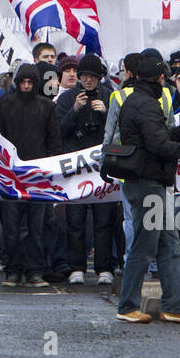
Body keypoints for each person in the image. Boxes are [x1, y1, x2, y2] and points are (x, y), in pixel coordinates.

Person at [103, 56, 180, 324]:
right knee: (145, 246)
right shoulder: (146, 104)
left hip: (149, 181)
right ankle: (127, 306)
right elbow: (158, 145)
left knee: (169, 246)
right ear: (158, 78)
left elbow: (157, 136)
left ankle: (174, 305)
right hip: (147, 182)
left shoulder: (140, 100)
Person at [0, 63, 62, 288]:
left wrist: (53, 169)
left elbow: (54, 141)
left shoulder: (46, 107)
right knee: (11, 227)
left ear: (35, 83)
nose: (25, 86)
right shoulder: (5, 104)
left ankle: (34, 271)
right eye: (22, 82)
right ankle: (13, 270)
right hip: (11, 174)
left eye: (30, 83)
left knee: (37, 227)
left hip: (38, 176)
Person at [58, 54, 117, 285]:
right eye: (85, 76)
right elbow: (59, 130)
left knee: (104, 219)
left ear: (100, 78)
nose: (88, 81)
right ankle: (77, 267)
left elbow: (118, 132)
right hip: (76, 169)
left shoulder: (110, 97)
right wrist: (74, 110)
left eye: (93, 77)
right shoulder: (67, 98)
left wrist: (106, 114)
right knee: (75, 219)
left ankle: (104, 268)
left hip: (102, 169)